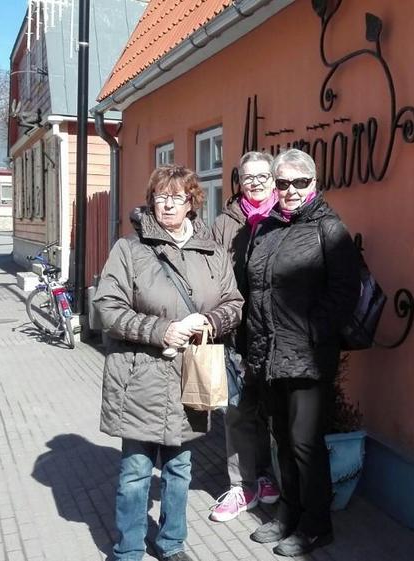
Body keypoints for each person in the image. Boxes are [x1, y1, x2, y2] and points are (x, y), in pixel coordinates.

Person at [95, 164, 243, 561]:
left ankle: (172, 543)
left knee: (179, 470)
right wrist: (162, 331)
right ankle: (128, 549)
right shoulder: (130, 249)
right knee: (135, 472)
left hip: (191, 375)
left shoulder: (212, 252)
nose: (168, 205)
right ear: (151, 201)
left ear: (192, 202)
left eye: (177, 197)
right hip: (140, 376)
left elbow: (234, 304)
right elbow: (107, 307)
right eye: (161, 197)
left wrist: (209, 322)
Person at [245, 149, 360, 557]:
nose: (290, 190)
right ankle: (288, 514)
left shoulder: (329, 228)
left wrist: (311, 331)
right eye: (283, 183)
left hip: (307, 356)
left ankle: (316, 524)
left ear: (314, 183)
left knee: (304, 442)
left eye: (300, 182)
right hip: (268, 352)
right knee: (281, 438)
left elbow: (345, 292)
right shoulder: (267, 228)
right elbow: (256, 288)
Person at [208, 151, 282, 522]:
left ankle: (265, 474)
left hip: (277, 332)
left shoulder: (286, 215)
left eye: (261, 176)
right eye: (247, 177)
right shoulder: (225, 223)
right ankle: (242, 485)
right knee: (236, 410)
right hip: (237, 331)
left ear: (273, 178)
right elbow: (210, 273)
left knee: (270, 408)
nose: (254, 183)